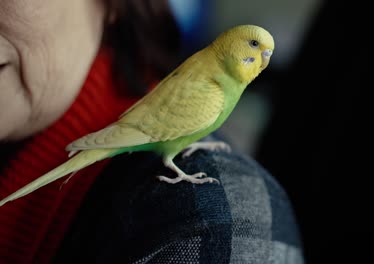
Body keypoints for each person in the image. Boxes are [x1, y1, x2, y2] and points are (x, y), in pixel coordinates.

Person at [0, 0, 303, 263]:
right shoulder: (210, 88)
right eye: (254, 45)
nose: (264, 56)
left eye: (266, 51)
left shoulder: (217, 223)